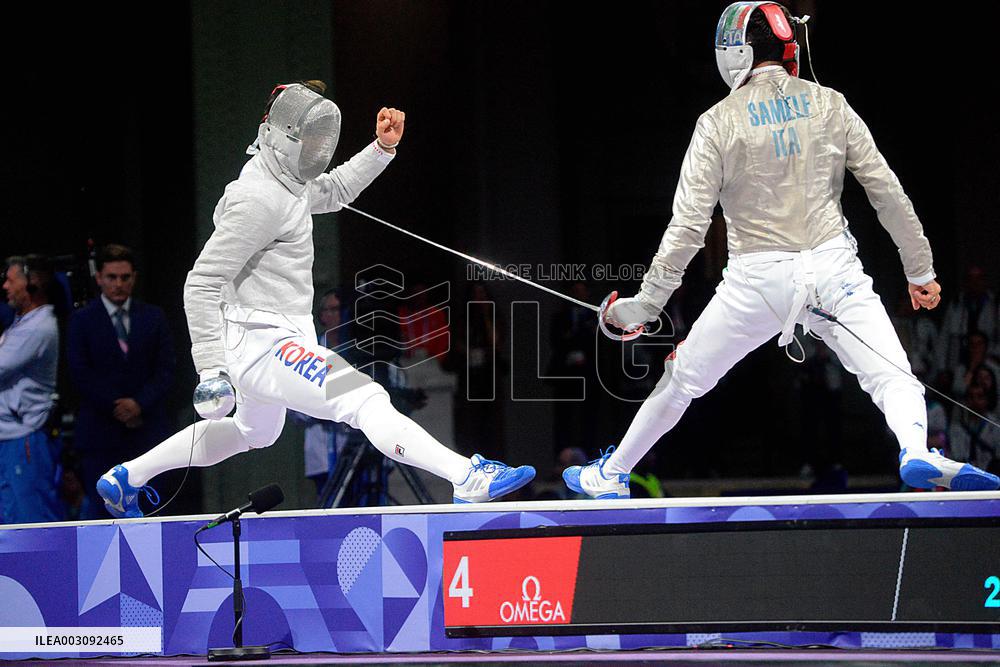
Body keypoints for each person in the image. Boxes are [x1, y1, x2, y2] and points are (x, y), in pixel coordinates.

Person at [565, 2, 999, 498]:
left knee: (682, 379)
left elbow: (687, 228)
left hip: (757, 281)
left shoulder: (717, 122)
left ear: (734, 52)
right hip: (834, 270)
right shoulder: (830, 103)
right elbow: (886, 191)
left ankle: (611, 473)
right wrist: (920, 271)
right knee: (892, 375)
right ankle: (916, 449)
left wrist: (644, 307)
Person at [96, 81, 534, 517]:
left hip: (272, 336)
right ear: (280, 134)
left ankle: (128, 477)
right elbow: (201, 283)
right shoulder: (258, 199)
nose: (316, 148)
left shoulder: (289, 181)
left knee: (254, 432)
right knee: (362, 398)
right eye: (308, 138)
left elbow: (337, 189)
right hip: (265, 343)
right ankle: (466, 476)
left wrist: (381, 149)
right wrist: (211, 369)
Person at [68, 244, 175, 518]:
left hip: (147, 431)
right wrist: (117, 406)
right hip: (100, 434)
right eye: (112, 277)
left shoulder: (153, 317)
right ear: (99, 278)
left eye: (125, 277)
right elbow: (79, 373)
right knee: (102, 515)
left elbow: (166, 370)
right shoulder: (81, 320)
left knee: (152, 512)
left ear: (134, 278)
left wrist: (138, 404)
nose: (118, 284)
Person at [0, 256, 63, 523]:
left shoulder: (39, 327)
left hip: (24, 438)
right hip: (10, 437)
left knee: (30, 521)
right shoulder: (22, 323)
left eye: (11, 280)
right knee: (9, 522)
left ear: (32, 283)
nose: (5, 286)